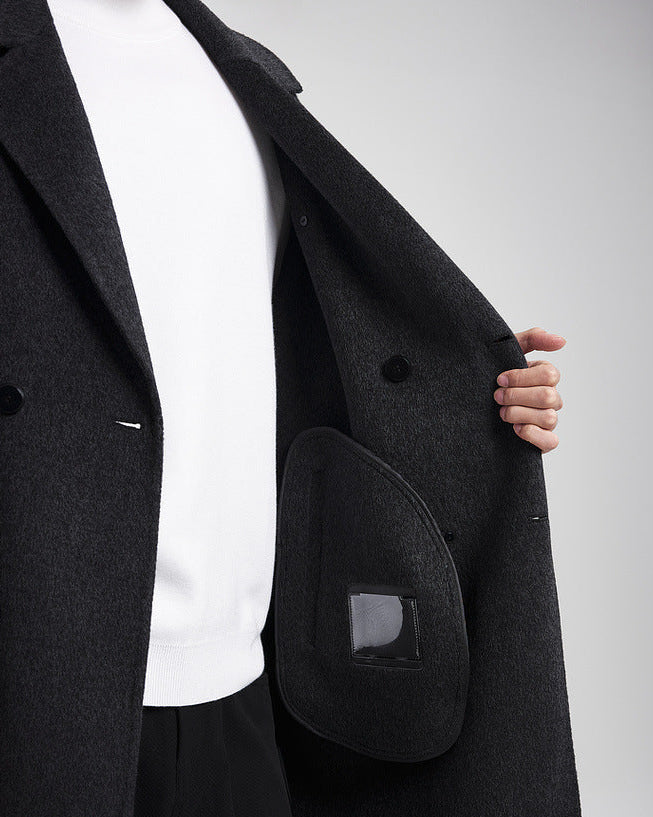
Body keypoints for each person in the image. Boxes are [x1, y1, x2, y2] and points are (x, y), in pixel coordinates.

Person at [0, 0, 578, 815]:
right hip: (35, 676)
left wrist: (458, 391)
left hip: (244, 690)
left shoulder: (245, 75)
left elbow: (284, 352)